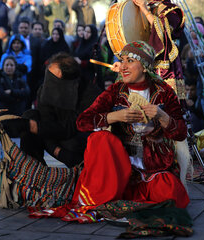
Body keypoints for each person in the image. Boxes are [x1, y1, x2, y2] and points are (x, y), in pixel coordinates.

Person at [37, 41, 191, 237]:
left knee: (172, 194)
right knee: (99, 138)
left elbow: (181, 133)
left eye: (130, 61)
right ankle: (103, 196)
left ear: (144, 66)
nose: (123, 66)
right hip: (121, 167)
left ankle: (132, 206)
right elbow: (82, 122)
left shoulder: (164, 92)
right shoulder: (115, 92)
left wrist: (162, 116)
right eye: (122, 61)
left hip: (154, 165)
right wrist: (113, 117)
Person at [18, 52, 101, 167]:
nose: (49, 82)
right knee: (29, 117)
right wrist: (54, 148)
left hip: (75, 139)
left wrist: (61, 151)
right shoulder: (45, 90)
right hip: (52, 135)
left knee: (75, 143)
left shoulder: (89, 93)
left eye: (53, 79)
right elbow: (46, 119)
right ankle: (33, 170)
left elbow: (73, 126)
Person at [132, 0, 186, 99]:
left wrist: (144, 10)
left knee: (166, 101)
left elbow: (162, 29)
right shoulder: (143, 7)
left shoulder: (172, 11)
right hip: (145, 58)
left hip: (164, 59)